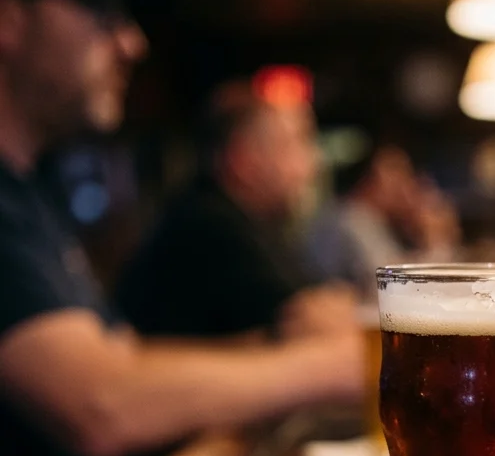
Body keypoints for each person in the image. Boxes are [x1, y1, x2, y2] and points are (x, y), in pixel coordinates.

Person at [0, 0, 362, 456]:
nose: (132, 42)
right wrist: (340, 364)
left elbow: (120, 356)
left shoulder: (31, 193)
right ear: (8, 14)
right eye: (100, 7)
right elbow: (99, 403)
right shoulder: (207, 220)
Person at [119, 80, 358, 341]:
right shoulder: (209, 225)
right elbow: (309, 319)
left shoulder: (246, 219)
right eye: (294, 144)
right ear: (243, 160)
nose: (312, 164)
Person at [306, 144, 460, 295]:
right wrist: (434, 238)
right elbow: (389, 286)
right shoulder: (353, 219)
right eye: (397, 173)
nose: (405, 185)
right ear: (373, 177)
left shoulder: (369, 218)